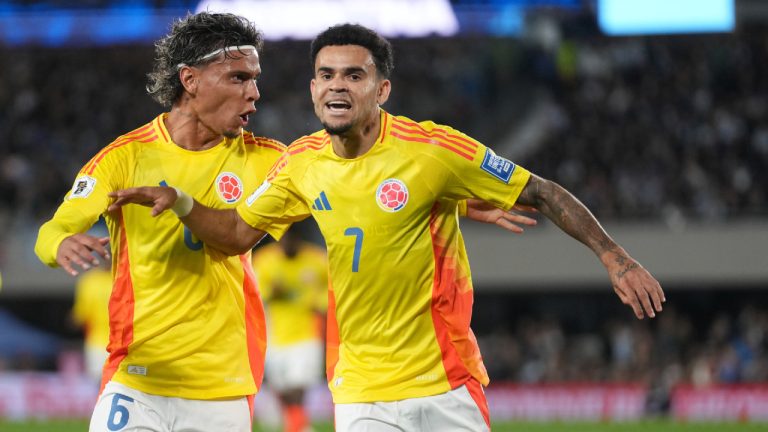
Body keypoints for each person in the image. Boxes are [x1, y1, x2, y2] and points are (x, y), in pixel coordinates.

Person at [107, 24, 650, 431]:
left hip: (448, 382)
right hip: (361, 391)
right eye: (325, 74)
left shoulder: (433, 150)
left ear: (382, 90)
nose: (336, 86)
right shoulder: (301, 162)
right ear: (312, 88)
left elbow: (541, 191)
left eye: (353, 74)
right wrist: (180, 200)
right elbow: (232, 235)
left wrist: (614, 257)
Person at [34, 12, 286, 432]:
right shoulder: (124, 158)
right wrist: (60, 244)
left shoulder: (269, 160)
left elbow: (238, 237)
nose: (255, 94)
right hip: (136, 379)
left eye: (255, 79)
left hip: (221, 386)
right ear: (190, 80)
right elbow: (52, 230)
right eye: (239, 78)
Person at [252, 226, 328, 432]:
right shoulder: (264, 260)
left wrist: (313, 301)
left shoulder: (318, 259)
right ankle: (298, 424)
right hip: (275, 335)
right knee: (282, 388)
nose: (287, 244)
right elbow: (256, 295)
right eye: (282, 240)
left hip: (306, 334)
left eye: (291, 239)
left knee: (299, 387)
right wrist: (272, 292)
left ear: (299, 239)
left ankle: (297, 426)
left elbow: (328, 295)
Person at [71, 258, 112, 386]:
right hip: (126, 344)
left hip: (97, 344)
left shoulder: (89, 281)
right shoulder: (128, 278)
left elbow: (80, 317)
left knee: (100, 387)